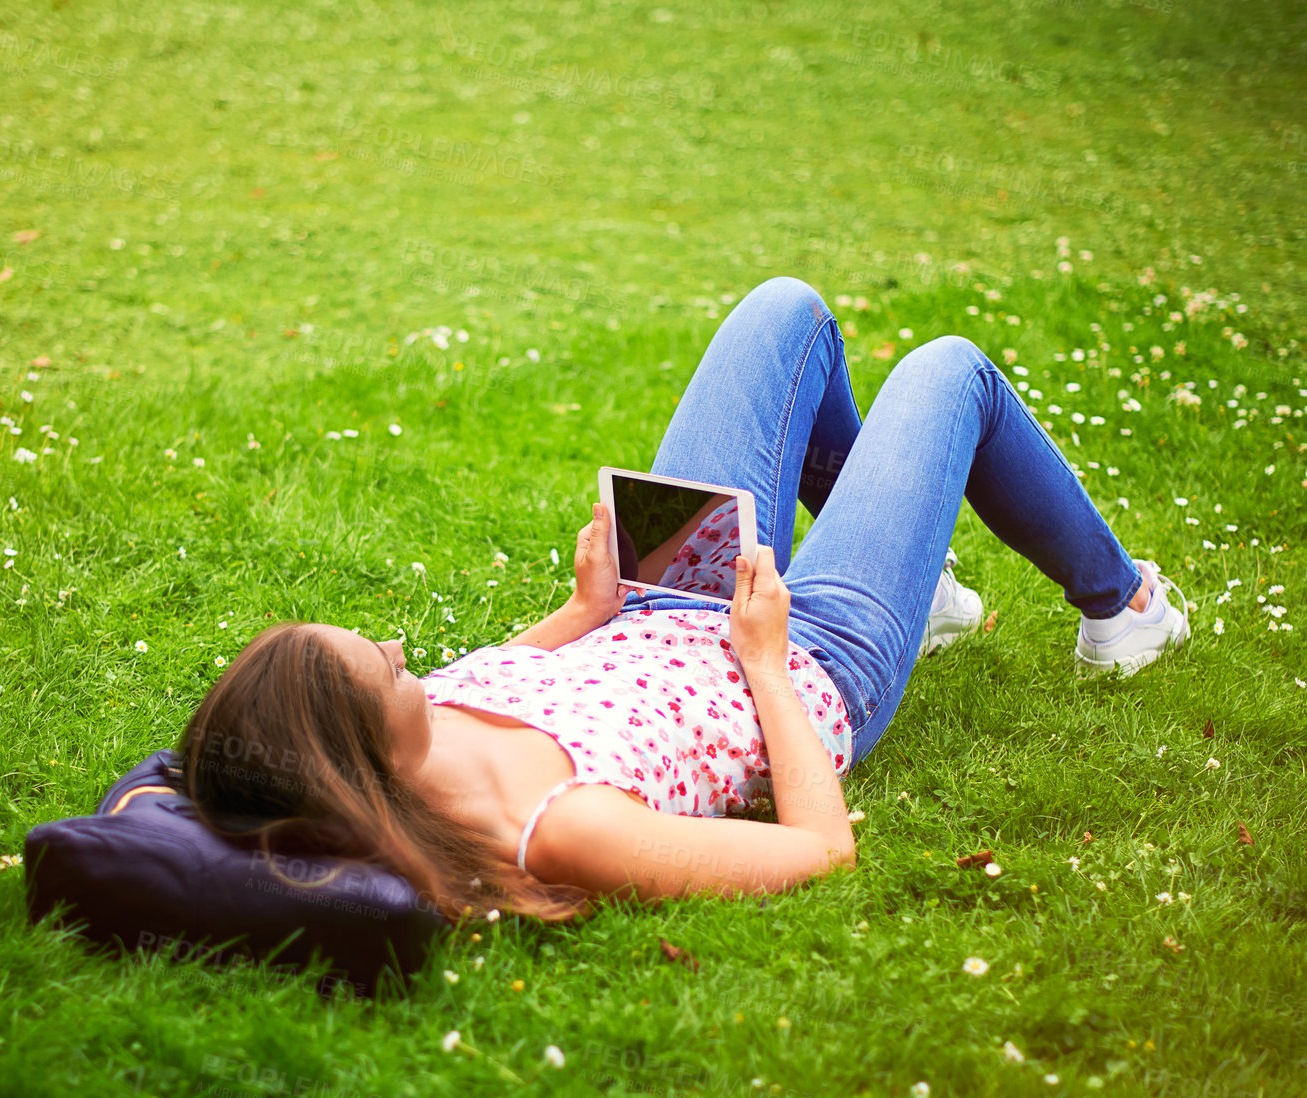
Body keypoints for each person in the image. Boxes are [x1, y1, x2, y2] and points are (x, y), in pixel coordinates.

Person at [177, 276, 1191, 922]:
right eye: (388, 667)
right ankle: (1124, 608)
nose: (402, 650)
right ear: (361, 755)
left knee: (783, 313)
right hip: (808, 660)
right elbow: (817, 851)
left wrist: (582, 611)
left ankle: (920, 590)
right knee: (944, 372)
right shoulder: (552, 830)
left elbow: (508, 685)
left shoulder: (400, 742)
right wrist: (762, 657)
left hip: (666, 599)